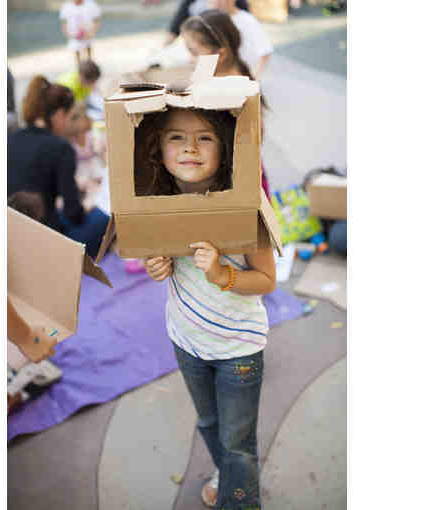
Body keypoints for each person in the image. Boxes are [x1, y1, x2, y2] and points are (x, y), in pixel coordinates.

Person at [140, 106, 276, 509]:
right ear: (158, 147)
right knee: (210, 423)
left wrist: (222, 274)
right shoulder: (154, 203)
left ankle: (240, 500)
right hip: (187, 340)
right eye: (176, 137)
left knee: (237, 441)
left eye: (205, 137)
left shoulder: (244, 204)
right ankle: (228, 476)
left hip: (238, 348)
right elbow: (156, 260)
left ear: (224, 147)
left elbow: (266, 279)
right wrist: (156, 266)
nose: (190, 148)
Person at [7, 75, 109, 258]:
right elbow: (74, 215)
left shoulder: (12, 139)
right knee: (106, 217)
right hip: (48, 242)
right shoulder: (60, 148)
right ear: (60, 114)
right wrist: (89, 202)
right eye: (69, 117)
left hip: (12, 237)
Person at [180, 9, 271, 199]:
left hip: (239, 181)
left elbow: (256, 136)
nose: (189, 59)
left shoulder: (231, 89)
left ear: (220, 54)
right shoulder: (218, 78)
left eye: (194, 53)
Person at [209, 0, 273, 79]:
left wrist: (254, 77)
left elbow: (265, 51)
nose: (218, 2)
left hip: (240, 77)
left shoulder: (246, 20)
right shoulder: (208, 19)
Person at [163, 0, 249, 47]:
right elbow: (175, 28)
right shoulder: (189, 3)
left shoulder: (242, 16)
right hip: (199, 42)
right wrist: (164, 47)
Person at [59, 0, 102, 65]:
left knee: (88, 47)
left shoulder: (91, 4)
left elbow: (96, 20)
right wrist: (67, 33)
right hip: (74, 34)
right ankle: (79, 66)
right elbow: (64, 22)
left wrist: (93, 32)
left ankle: (89, 64)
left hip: (88, 33)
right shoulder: (67, 6)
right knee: (76, 49)